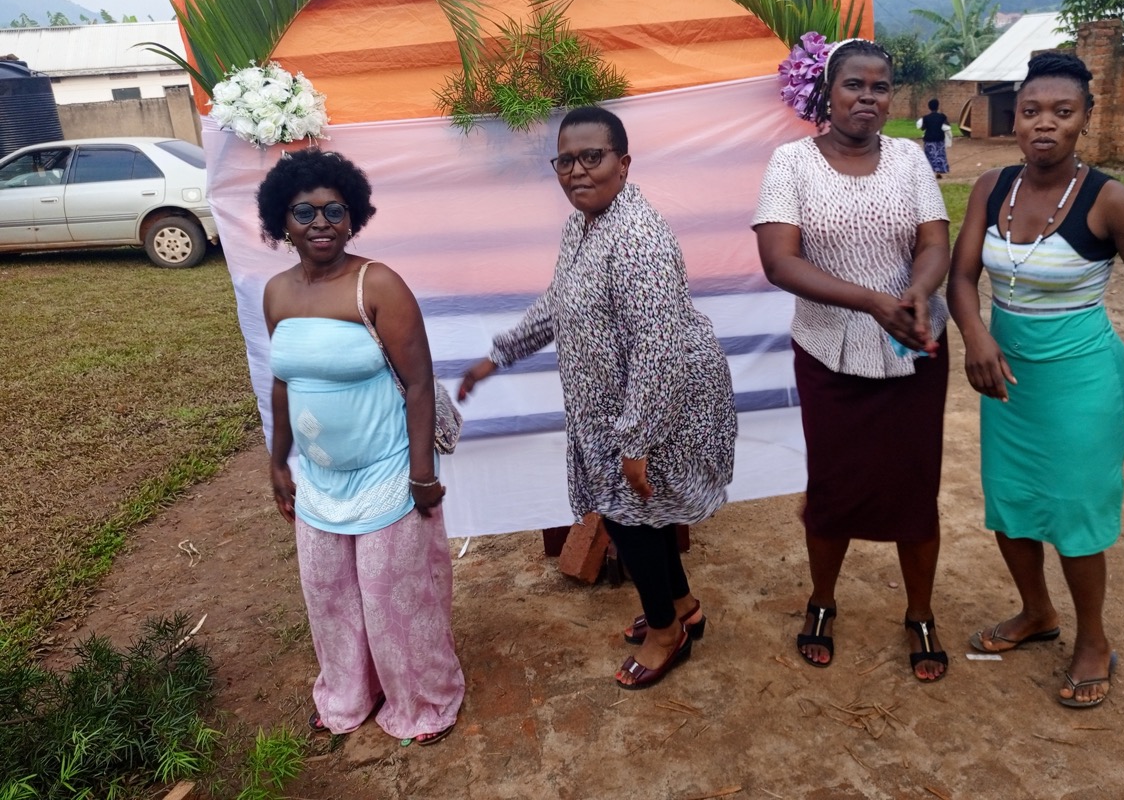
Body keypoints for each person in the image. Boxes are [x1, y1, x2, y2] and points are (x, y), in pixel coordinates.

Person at [948, 51, 1124, 708]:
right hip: (1007, 381)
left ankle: (1092, 639)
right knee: (1010, 504)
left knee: (1074, 512)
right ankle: (1037, 612)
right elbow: (961, 278)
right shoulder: (992, 187)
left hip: (1083, 384)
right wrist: (976, 335)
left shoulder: (1111, 201)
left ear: (1085, 119)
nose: (1045, 124)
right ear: (1015, 120)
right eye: (1031, 111)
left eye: (1062, 112)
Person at [457, 106, 736, 690]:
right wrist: (499, 356)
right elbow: (558, 303)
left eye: (592, 157)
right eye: (565, 160)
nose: (577, 171)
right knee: (643, 514)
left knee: (629, 519)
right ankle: (682, 606)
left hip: (655, 405)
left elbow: (657, 348)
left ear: (623, 163)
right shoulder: (581, 226)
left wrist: (636, 441)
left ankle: (666, 634)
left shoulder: (637, 238)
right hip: (615, 406)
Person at [752, 39, 952, 681]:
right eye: (854, 85)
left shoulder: (910, 158)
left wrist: (916, 293)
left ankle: (920, 612)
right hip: (829, 351)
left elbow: (934, 242)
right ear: (828, 93)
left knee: (915, 483)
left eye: (880, 87)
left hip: (913, 346)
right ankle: (822, 601)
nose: (868, 97)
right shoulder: (791, 163)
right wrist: (871, 301)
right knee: (834, 484)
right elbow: (779, 261)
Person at [258, 147, 464, 744]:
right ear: (282, 221)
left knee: (394, 598)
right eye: (304, 212)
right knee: (329, 597)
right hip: (320, 479)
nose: (320, 223)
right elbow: (284, 383)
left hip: (387, 472)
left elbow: (419, 382)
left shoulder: (377, 284)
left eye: (334, 210)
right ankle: (349, 693)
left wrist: (421, 474)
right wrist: (277, 459)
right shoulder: (276, 293)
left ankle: (424, 701)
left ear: (353, 218)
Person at [916, 98, 951, 178]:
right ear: (938, 107)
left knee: (930, 156)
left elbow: (923, 128)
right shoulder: (942, 117)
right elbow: (947, 126)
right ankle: (938, 171)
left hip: (929, 140)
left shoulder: (925, 118)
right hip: (939, 139)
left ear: (929, 107)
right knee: (939, 155)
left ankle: (930, 172)